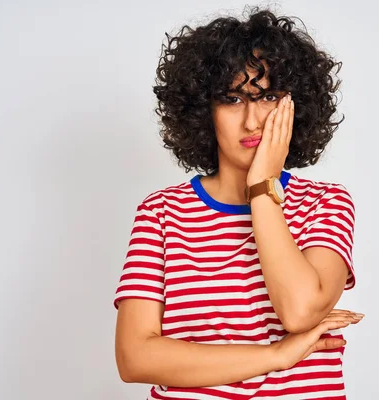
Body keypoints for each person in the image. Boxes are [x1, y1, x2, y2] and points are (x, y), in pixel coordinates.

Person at [113, 6, 365, 399]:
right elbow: (135, 359)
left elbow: (299, 310)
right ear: (203, 111)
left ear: (295, 105)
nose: (252, 122)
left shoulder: (325, 203)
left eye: (268, 97)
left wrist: (262, 185)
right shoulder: (161, 212)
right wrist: (277, 355)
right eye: (231, 99)